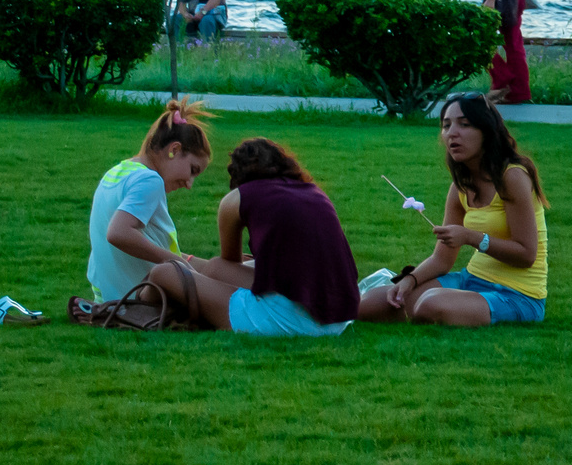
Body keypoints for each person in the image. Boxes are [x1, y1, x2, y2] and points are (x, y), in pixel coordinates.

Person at [358, 93, 548, 326]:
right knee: (373, 302)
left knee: (431, 304)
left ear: (486, 131)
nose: (452, 133)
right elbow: (442, 259)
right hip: (471, 281)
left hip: (517, 295)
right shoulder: (460, 187)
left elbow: (527, 255)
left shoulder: (513, 176)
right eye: (446, 126)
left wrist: (471, 237)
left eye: (464, 124)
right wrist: (409, 281)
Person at [144, 137, 361, 335]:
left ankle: (142, 303)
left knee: (164, 272)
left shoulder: (237, 199)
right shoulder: (313, 192)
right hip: (338, 321)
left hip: (285, 322)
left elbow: (228, 264)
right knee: (215, 268)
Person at [86, 99, 214, 302]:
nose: (189, 184)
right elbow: (118, 233)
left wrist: (188, 262)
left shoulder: (119, 171)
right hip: (137, 298)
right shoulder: (150, 181)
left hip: (106, 298)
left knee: (215, 268)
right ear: (174, 150)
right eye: (192, 170)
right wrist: (173, 261)